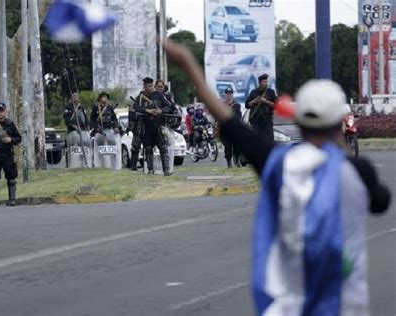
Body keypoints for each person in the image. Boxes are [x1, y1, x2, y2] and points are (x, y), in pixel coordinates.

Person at [162, 40, 391, 316]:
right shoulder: (358, 171)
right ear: (338, 124)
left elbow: (229, 122)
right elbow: (380, 202)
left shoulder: (277, 163)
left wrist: (189, 64)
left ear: (300, 123)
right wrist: (340, 143)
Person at [133, 76, 173, 175]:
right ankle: (150, 169)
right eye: (149, 86)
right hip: (146, 127)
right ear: (145, 87)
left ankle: (166, 170)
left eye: (152, 86)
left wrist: (161, 110)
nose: (151, 88)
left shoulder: (159, 95)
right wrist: (147, 110)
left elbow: (169, 106)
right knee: (148, 148)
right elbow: (136, 107)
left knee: (163, 147)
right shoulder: (140, 97)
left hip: (158, 126)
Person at [245, 74, 277, 142]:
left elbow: (276, 105)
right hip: (256, 121)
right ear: (260, 82)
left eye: (266, 82)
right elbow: (247, 105)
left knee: (269, 141)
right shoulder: (254, 92)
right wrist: (254, 101)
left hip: (267, 121)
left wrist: (266, 101)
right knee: (256, 142)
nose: (266, 83)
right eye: (264, 82)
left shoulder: (271, 92)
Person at [223, 87, 242, 168]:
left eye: (230, 94)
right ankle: (229, 162)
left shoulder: (237, 105)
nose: (229, 95)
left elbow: (238, 116)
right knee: (227, 147)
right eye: (227, 94)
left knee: (237, 146)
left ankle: (237, 160)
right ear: (225, 95)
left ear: (232, 95)